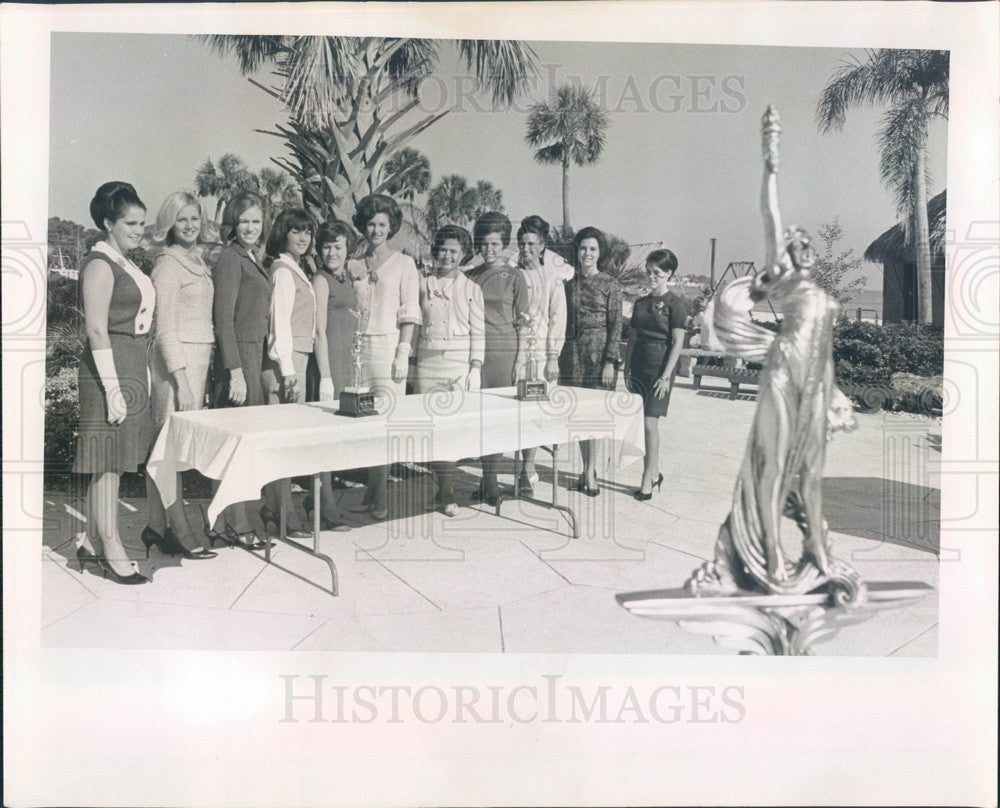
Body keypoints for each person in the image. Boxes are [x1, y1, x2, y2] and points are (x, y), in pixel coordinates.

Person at [73, 182, 155, 584]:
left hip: (129, 363)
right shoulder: (100, 263)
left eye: (142, 222)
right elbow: (96, 330)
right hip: (108, 370)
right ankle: (111, 546)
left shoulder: (125, 261)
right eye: (130, 223)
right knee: (107, 463)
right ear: (108, 223)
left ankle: (90, 540)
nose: (139, 230)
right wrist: (112, 389)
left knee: (112, 462)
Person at [143, 192, 218, 560]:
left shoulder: (195, 260)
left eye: (194, 218)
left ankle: (155, 527)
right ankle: (182, 531)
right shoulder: (168, 265)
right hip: (178, 367)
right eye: (181, 219)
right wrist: (182, 381)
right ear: (169, 224)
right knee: (168, 449)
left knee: (168, 447)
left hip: (198, 361)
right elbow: (165, 329)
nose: (189, 226)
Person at [347, 194, 421, 520]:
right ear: (363, 226)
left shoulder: (405, 264)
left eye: (382, 224)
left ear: (391, 228)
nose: (376, 230)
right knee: (362, 421)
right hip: (357, 351)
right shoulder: (353, 264)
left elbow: (410, 313)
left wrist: (402, 353)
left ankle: (380, 497)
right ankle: (370, 489)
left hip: (389, 349)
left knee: (386, 424)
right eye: (371, 224)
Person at [208, 191, 270, 549]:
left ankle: (221, 521)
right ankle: (237, 523)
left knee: (238, 444)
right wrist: (235, 371)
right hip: (238, 358)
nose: (250, 227)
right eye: (244, 220)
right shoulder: (231, 259)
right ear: (233, 223)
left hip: (252, 353)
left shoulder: (250, 257)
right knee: (238, 445)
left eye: (256, 221)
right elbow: (223, 319)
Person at [414, 225, 485, 516]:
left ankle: (447, 491)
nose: (447, 255)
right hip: (427, 361)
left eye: (454, 251)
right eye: (443, 249)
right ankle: (441, 488)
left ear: (463, 254)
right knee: (430, 429)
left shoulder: (472, 288)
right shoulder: (422, 283)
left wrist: (475, 367)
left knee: (451, 428)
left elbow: (479, 331)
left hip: (457, 363)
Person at [259, 208, 320, 538]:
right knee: (281, 440)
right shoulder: (283, 271)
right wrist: (288, 369)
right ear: (283, 233)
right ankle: (282, 511)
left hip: (298, 358)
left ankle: (275, 506)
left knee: (287, 439)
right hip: (287, 360)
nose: (302, 237)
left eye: (307, 232)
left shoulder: (297, 268)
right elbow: (278, 323)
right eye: (295, 231)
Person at [465, 212, 529, 505]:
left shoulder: (516, 277)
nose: (488, 250)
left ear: (504, 244)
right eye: (484, 244)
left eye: (495, 244)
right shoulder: (469, 276)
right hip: (475, 353)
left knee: (497, 420)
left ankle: (489, 481)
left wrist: (520, 361)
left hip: (505, 353)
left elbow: (523, 323)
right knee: (477, 419)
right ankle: (485, 481)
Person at [559, 226, 624, 496]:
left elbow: (616, 325)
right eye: (583, 248)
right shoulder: (569, 284)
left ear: (600, 253)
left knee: (594, 417)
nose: (587, 253)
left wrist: (610, 361)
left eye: (593, 249)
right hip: (572, 356)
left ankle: (589, 472)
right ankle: (586, 470)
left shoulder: (610, 284)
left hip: (599, 357)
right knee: (579, 416)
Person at [626, 248, 690, 501]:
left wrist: (665, 376)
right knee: (641, 423)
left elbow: (677, 343)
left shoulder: (677, 304)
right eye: (649, 272)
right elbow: (632, 339)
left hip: (660, 368)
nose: (652, 276)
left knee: (650, 423)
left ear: (669, 274)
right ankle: (654, 473)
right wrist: (626, 368)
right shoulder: (641, 303)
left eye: (657, 273)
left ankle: (647, 478)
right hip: (639, 365)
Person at [309, 218, 360, 530]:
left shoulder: (346, 279)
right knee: (324, 440)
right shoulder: (321, 281)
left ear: (347, 249)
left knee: (338, 438)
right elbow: (319, 332)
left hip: (347, 366)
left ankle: (317, 500)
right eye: (326, 246)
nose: (331, 252)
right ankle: (325, 508)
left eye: (337, 246)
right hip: (329, 368)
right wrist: (326, 377)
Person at [512, 215, 567, 495]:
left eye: (532, 243)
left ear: (543, 246)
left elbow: (558, 319)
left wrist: (554, 355)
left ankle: (528, 468)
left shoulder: (553, 279)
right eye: (522, 243)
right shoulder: (512, 272)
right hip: (515, 353)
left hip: (542, 357)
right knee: (514, 413)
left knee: (534, 413)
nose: (526, 249)